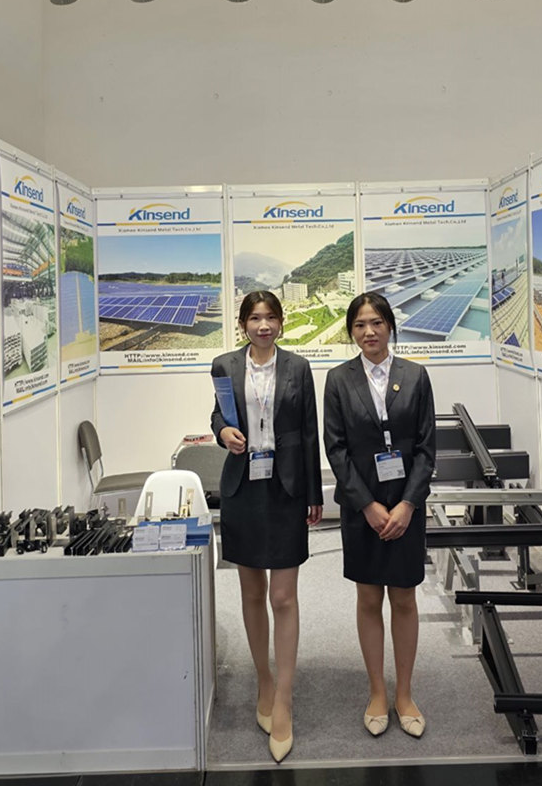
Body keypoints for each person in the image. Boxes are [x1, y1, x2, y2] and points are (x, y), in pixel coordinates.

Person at [211, 290, 323, 763]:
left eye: (270, 317)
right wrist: (222, 432)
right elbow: (218, 413)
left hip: (286, 486)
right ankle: (264, 680)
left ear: (281, 322)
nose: (263, 325)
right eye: (255, 318)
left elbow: (311, 431)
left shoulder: (298, 367)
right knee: (252, 593)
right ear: (242, 324)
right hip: (243, 489)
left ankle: (284, 699)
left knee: (283, 597)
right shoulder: (224, 365)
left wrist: (315, 493)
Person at [323, 292, 436, 739]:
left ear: (390, 326)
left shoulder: (416, 376)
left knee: (404, 599)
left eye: (376, 323)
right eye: (359, 325)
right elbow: (336, 450)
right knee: (369, 599)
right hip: (362, 507)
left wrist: (407, 504)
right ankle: (376, 691)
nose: (368, 332)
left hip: (406, 507)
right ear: (351, 331)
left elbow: (426, 448)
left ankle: (404, 694)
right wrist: (368, 505)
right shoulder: (338, 379)